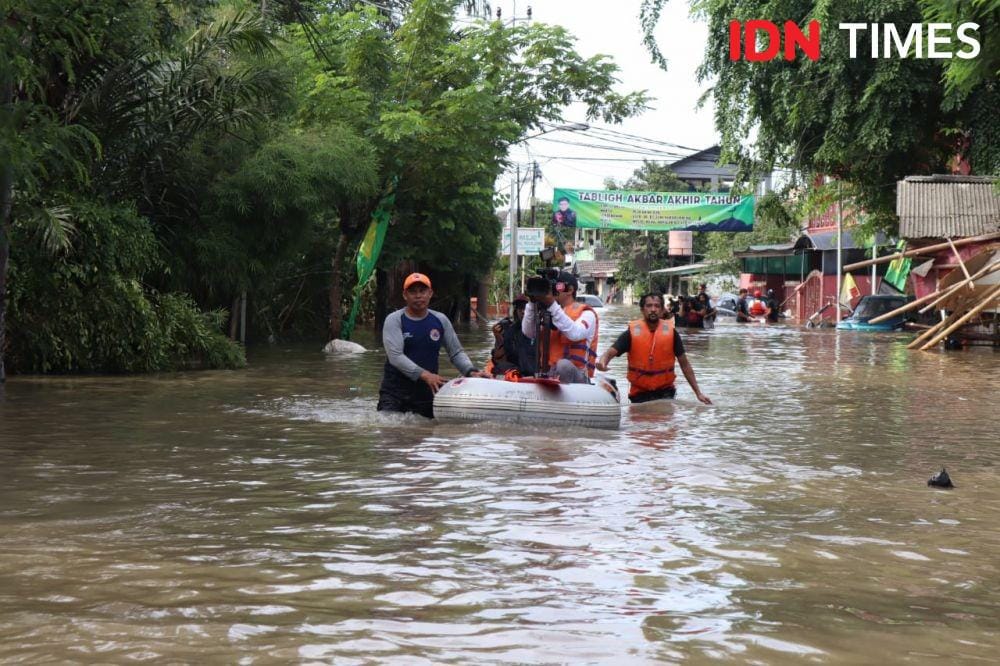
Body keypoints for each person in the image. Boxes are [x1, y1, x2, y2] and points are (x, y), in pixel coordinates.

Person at [378, 273, 487, 418]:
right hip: (394, 392)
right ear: (405, 295)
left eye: (422, 291)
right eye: (413, 291)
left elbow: (456, 353)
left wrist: (470, 371)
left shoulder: (440, 320)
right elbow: (396, 357)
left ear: (430, 293)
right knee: (391, 431)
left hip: (426, 391)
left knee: (427, 434)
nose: (418, 296)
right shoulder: (394, 320)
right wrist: (425, 375)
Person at [596, 293, 712, 404]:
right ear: (642, 310)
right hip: (639, 394)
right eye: (649, 306)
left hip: (666, 393)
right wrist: (603, 361)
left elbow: (685, 364)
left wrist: (698, 393)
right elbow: (610, 352)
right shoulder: (631, 333)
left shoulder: (671, 333)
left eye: (657, 306)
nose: (653, 309)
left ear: (662, 310)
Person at [522, 271, 597, 384]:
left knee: (563, 365)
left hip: (577, 376)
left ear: (570, 290)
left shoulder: (587, 313)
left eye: (558, 286)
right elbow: (528, 333)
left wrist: (552, 304)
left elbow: (575, 334)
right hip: (549, 373)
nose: (553, 290)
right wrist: (532, 303)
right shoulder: (548, 311)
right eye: (551, 286)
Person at [486, 294, 536, 376]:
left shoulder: (538, 328)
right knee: (499, 368)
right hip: (515, 369)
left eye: (525, 308)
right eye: (520, 308)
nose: (523, 311)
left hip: (533, 369)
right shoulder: (509, 329)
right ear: (516, 311)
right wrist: (498, 337)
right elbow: (499, 357)